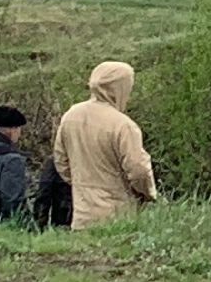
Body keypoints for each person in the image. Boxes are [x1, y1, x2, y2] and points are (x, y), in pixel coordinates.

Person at [53, 61, 157, 229]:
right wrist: (148, 194)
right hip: (118, 218)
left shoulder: (71, 116)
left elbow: (61, 160)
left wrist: (81, 184)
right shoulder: (123, 125)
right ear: (120, 88)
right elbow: (139, 170)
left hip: (81, 217)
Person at [30, 157, 73, 231]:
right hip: (93, 218)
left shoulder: (56, 162)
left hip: (63, 220)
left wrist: (39, 225)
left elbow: (44, 194)